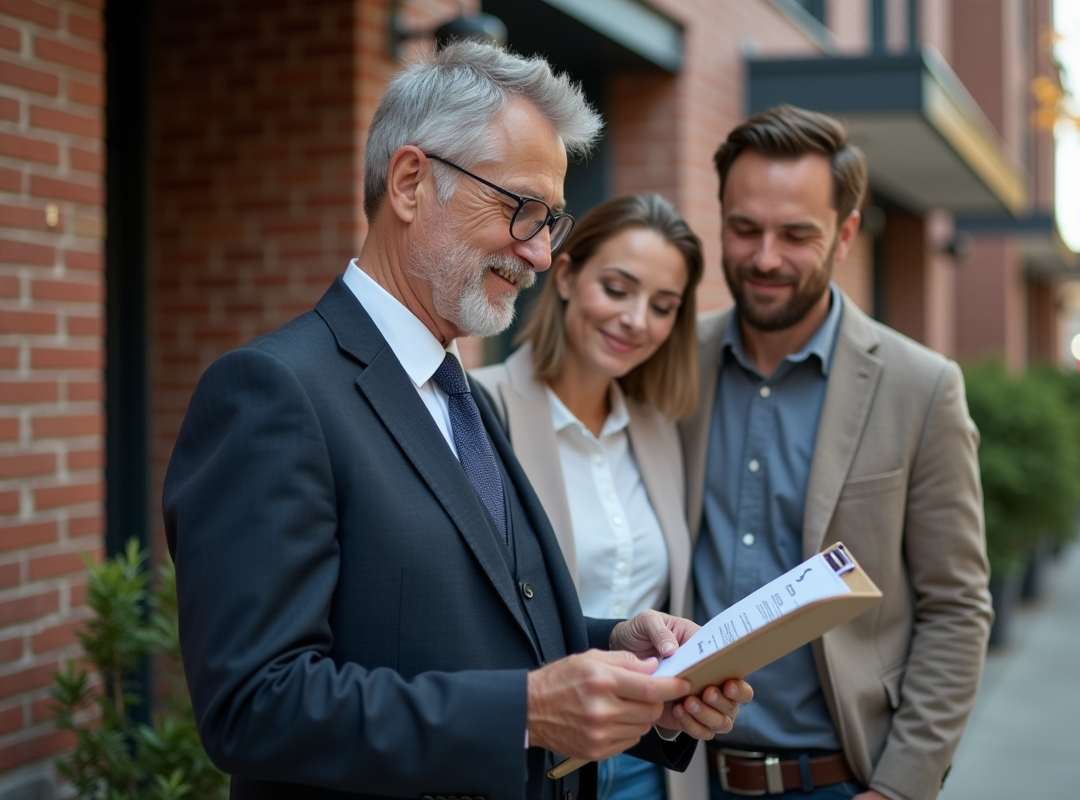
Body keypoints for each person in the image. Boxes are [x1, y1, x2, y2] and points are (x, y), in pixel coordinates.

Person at [163, 42, 750, 800]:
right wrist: (527, 712)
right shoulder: (271, 392)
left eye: (552, 221)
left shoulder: (455, 389)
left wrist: (624, 654)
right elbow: (253, 705)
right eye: (521, 210)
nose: (540, 255)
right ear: (410, 183)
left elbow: (479, 622)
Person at [679, 105, 992, 800]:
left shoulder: (922, 386)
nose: (764, 258)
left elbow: (957, 606)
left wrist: (900, 787)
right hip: (685, 777)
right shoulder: (672, 364)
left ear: (844, 234)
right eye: (744, 229)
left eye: (796, 235)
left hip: (841, 780)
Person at [473, 193, 703, 800]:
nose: (636, 320)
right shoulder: (481, 406)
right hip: (540, 761)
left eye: (663, 306)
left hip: (652, 764)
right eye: (619, 288)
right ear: (568, 275)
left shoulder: (659, 431)